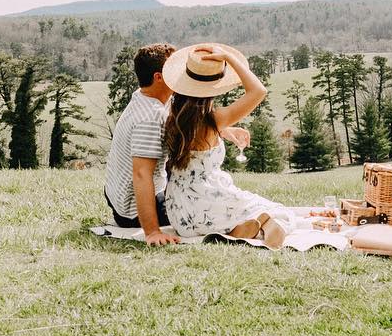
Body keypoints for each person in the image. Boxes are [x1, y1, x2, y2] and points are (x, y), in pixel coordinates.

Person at [103, 44, 251, 247]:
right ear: (158, 77)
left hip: (118, 195)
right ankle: (233, 228)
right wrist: (152, 232)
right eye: (172, 69)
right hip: (132, 209)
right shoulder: (150, 118)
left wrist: (225, 130)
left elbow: (186, 122)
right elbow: (141, 174)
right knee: (202, 205)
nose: (180, 74)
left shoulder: (147, 97)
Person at [161, 43, 296, 249]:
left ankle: (234, 231)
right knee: (281, 211)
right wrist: (230, 59)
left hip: (180, 212)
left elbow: (196, 132)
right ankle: (265, 223)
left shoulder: (174, 115)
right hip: (206, 196)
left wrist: (226, 130)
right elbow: (258, 91)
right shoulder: (215, 119)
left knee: (243, 206)